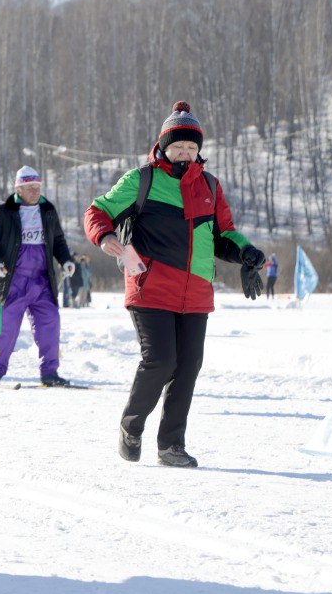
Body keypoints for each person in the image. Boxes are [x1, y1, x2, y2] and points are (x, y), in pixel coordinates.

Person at [84, 102, 264, 467]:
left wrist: (248, 253)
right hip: (150, 285)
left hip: (196, 291)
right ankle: (131, 427)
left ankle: (171, 445)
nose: (184, 152)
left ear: (199, 150)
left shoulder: (210, 186)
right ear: (163, 146)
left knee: (188, 365)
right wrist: (104, 237)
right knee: (161, 360)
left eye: (191, 146)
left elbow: (223, 233)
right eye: (177, 146)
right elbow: (97, 210)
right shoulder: (143, 180)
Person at [0, 165, 77, 387]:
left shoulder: (48, 210)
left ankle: (50, 373)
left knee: (50, 324)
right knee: (4, 329)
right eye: (30, 187)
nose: (35, 191)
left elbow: (58, 241)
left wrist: (66, 260)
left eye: (37, 187)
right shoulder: (4, 211)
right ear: (19, 189)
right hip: (12, 280)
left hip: (42, 281)